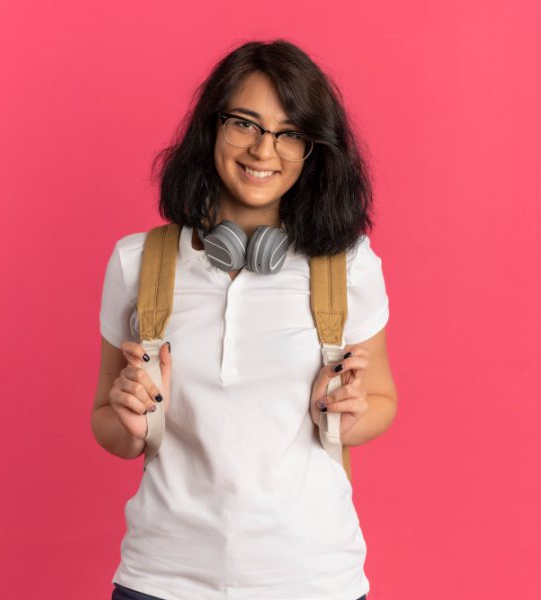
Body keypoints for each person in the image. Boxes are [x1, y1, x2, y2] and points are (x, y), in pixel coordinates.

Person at [92, 39, 396, 600]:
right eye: (245, 124)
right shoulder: (138, 262)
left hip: (312, 578)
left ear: (313, 150)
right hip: (162, 578)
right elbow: (106, 425)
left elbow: (381, 401)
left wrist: (348, 413)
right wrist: (128, 419)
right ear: (212, 128)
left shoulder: (348, 265)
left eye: (290, 133)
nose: (264, 150)